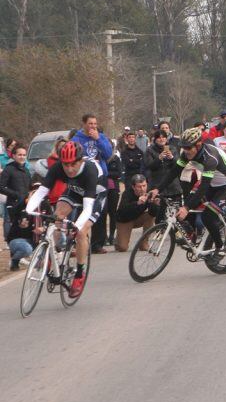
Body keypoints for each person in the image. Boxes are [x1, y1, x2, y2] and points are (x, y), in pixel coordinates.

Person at [26, 142, 108, 298]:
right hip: (74, 191)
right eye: (66, 165)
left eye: (73, 164)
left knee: (81, 233)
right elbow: (41, 192)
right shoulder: (57, 167)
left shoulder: (90, 170)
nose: (69, 169)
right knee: (56, 217)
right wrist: (28, 211)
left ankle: (79, 275)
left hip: (94, 197)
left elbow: (88, 206)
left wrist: (77, 226)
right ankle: (52, 255)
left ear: (81, 161)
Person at [149, 128, 226, 262]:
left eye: (188, 147)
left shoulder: (210, 158)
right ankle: (193, 235)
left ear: (198, 145)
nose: (185, 150)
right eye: (183, 147)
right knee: (190, 200)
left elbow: (203, 187)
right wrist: (157, 189)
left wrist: (186, 208)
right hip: (213, 183)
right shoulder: (186, 154)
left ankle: (221, 247)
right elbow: (174, 172)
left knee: (207, 215)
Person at [71, 114, 113, 254]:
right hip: (83, 178)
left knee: (100, 209)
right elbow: (73, 157)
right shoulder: (77, 139)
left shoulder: (101, 137)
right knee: (82, 208)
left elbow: (108, 154)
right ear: (84, 124)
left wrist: (98, 139)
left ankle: (97, 243)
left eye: (95, 124)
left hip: (100, 177)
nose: (93, 126)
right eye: (90, 124)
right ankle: (80, 241)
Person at [115, 174, 159, 252]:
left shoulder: (150, 192)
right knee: (122, 248)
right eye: (139, 187)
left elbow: (153, 213)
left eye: (144, 185)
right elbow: (122, 211)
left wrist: (154, 204)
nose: (142, 189)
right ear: (133, 187)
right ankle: (118, 239)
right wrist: (137, 203)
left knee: (150, 216)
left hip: (138, 218)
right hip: (125, 220)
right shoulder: (127, 194)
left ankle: (144, 243)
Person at [0, 145, 31, 243]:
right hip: (13, 204)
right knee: (14, 228)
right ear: (14, 156)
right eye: (19, 155)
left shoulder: (26, 170)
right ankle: (13, 252)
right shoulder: (8, 169)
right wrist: (16, 195)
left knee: (24, 228)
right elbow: (1, 187)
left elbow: (29, 187)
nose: (22, 157)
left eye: (24, 155)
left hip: (25, 204)